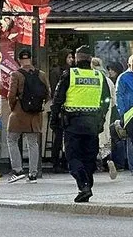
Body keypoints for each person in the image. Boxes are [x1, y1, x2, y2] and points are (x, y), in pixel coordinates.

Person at [50, 45, 110, 203]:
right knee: (89, 157)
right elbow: (106, 100)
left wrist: (54, 119)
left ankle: (84, 186)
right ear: (90, 59)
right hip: (92, 124)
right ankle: (86, 186)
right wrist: (101, 119)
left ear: (77, 59)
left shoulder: (70, 74)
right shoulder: (99, 76)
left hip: (73, 124)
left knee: (73, 157)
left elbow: (58, 99)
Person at [6, 49, 50, 184]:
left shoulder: (16, 74)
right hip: (35, 114)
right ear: (31, 59)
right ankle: (33, 174)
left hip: (19, 112)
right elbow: (48, 93)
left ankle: (18, 170)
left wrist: (13, 107)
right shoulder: (41, 74)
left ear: (19, 60)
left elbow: (11, 95)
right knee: (33, 143)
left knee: (12, 139)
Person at [91, 57, 118, 179]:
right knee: (105, 138)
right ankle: (108, 160)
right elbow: (113, 100)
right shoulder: (108, 80)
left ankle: (92, 165)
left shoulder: (92, 78)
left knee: (91, 139)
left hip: (91, 113)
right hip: (105, 114)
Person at [116, 55, 133, 176]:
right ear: (129, 64)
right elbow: (119, 95)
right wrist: (122, 112)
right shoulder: (124, 77)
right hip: (130, 112)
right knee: (131, 139)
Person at [49, 49, 74, 173]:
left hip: (69, 107)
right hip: (60, 108)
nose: (71, 60)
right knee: (58, 138)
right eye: (69, 57)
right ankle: (56, 162)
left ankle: (65, 161)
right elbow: (55, 91)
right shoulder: (56, 72)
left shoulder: (72, 72)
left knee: (67, 138)